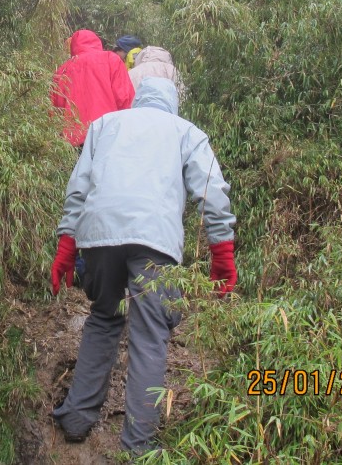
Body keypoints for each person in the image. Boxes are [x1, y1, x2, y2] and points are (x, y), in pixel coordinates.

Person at [49, 77, 238, 455]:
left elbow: (78, 187)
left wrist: (67, 245)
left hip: (99, 236)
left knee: (103, 317)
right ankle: (139, 449)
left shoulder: (105, 125)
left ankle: (75, 418)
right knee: (150, 336)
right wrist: (223, 254)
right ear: (172, 104)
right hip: (156, 242)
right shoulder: (186, 132)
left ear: (137, 101)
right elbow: (211, 195)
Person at [51, 29, 135, 148]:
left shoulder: (62, 71)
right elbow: (124, 98)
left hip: (73, 141)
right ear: (97, 42)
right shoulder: (111, 59)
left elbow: (55, 110)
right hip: (108, 134)